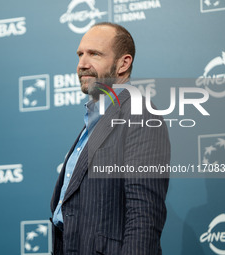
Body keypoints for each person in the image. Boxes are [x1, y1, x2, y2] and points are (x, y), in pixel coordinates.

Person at [50, 22, 170, 255]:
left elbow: (144, 217)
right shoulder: (94, 122)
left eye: (94, 54)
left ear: (123, 63)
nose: (82, 64)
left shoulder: (139, 113)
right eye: (80, 54)